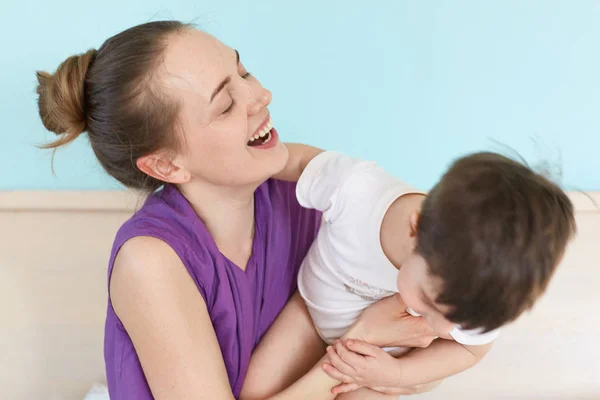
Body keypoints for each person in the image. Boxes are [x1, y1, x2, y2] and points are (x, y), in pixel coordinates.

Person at [35, 21, 438, 399]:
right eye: (226, 104)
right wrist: (360, 341)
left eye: (243, 72)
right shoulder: (151, 262)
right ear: (166, 165)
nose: (261, 96)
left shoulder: (305, 196)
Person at [248, 146, 576, 397]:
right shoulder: (354, 191)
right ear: (415, 229)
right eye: (430, 302)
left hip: (382, 357)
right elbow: (299, 162)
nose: (439, 326)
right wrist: (247, 165)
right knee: (255, 391)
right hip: (310, 311)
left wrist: (398, 375)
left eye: (457, 320)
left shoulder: (478, 292)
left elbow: (471, 349)